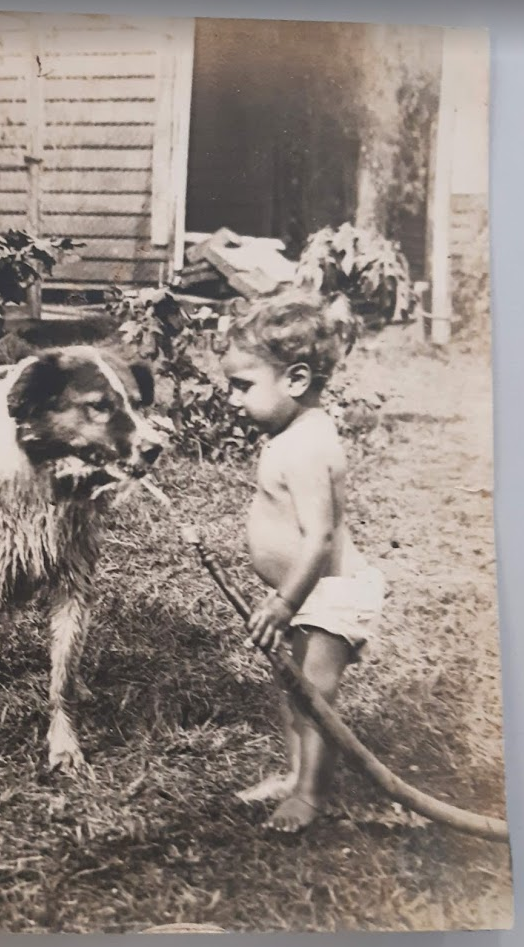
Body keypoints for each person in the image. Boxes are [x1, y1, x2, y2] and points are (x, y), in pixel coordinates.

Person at [220, 289, 384, 833]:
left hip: (327, 595)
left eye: (242, 386)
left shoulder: (312, 444)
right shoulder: (290, 433)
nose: (231, 398)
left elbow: (319, 537)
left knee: (314, 694)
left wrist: (285, 600)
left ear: (294, 380)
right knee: (292, 688)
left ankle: (312, 795)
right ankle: (296, 775)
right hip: (303, 595)